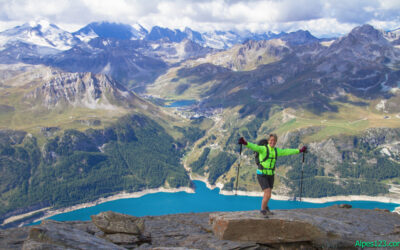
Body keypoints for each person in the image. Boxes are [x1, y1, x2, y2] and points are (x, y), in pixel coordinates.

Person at [238, 134, 307, 217]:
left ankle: (266, 208)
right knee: (268, 193)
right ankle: (263, 210)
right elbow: (254, 147)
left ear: (276, 142)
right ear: (268, 141)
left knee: (268, 194)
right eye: (271, 140)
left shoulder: (276, 151)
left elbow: (287, 151)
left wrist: (300, 151)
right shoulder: (263, 149)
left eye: (274, 141)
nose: (272, 142)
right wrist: (245, 142)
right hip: (262, 174)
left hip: (271, 175)